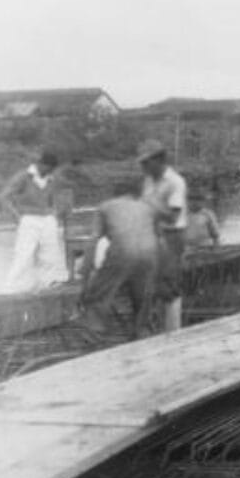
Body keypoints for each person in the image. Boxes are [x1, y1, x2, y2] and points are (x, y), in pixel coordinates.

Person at [79, 190, 164, 339]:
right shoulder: (148, 207)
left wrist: (86, 271)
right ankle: (142, 333)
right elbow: (160, 239)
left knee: (97, 295)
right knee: (143, 298)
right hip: (149, 253)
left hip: (122, 252)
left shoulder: (105, 206)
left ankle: (94, 333)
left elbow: (94, 240)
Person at [0, 151, 71, 292]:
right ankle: (12, 287)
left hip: (48, 219)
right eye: (48, 168)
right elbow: (5, 196)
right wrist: (16, 217)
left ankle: (48, 284)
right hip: (29, 218)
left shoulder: (52, 178)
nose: (49, 171)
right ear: (40, 164)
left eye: (52, 169)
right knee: (24, 254)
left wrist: (57, 212)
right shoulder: (24, 177)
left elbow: (61, 194)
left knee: (51, 253)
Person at [137, 139, 187, 332]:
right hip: (153, 235)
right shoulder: (148, 181)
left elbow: (173, 217)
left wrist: (151, 208)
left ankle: (173, 332)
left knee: (169, 284)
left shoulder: (175, 182)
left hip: (172, 235)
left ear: (159, 160)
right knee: (151, 284)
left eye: (146, 162)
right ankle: (156, 331)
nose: (143, 167)